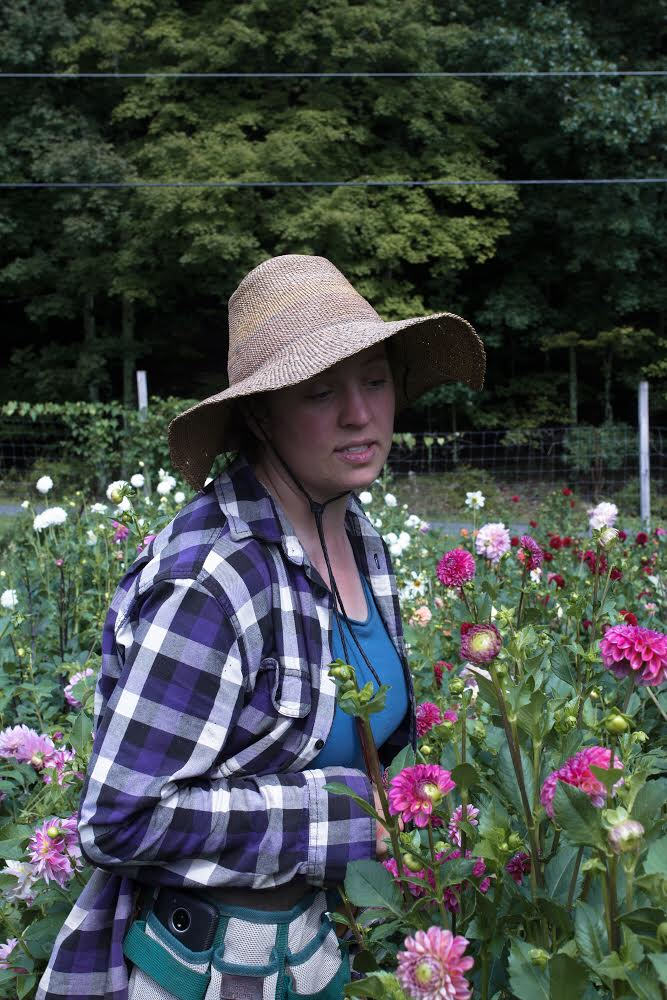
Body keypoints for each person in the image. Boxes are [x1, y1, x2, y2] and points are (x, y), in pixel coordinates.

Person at [37, 253, 484, 1000]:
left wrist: (421, 805)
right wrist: (348, 819)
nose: (358, 413)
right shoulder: (213, 575)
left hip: (312, 954)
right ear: (258, 413)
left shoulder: (359, 539)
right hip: (195, 968)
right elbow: (119, 820)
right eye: (320, 391)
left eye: (374, 379)